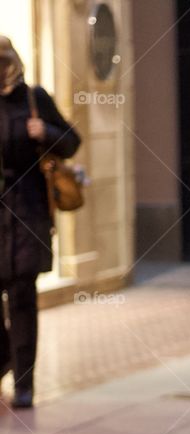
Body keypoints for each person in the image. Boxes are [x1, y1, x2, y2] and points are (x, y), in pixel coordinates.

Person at [0, 36, 81, 409]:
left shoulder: (34, 99)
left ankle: (24, 383)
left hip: (28, 211)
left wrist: (45, 133)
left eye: (4, 61)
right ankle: (3, 358)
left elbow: (71, 140)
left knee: (22, 298)